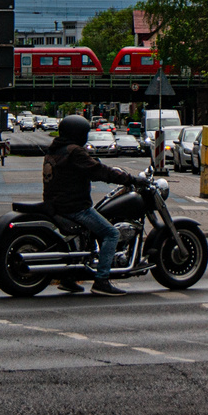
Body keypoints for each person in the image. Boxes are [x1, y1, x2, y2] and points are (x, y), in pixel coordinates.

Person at [43, 114, 142, 296]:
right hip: (75, 207)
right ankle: (102, 280)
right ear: (79, 133)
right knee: (112, 233)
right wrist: (129, 179)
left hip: (57, 204)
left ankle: (69, 278)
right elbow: (98, 170)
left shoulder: (55, 151)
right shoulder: (75, 151)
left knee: (87, 235)